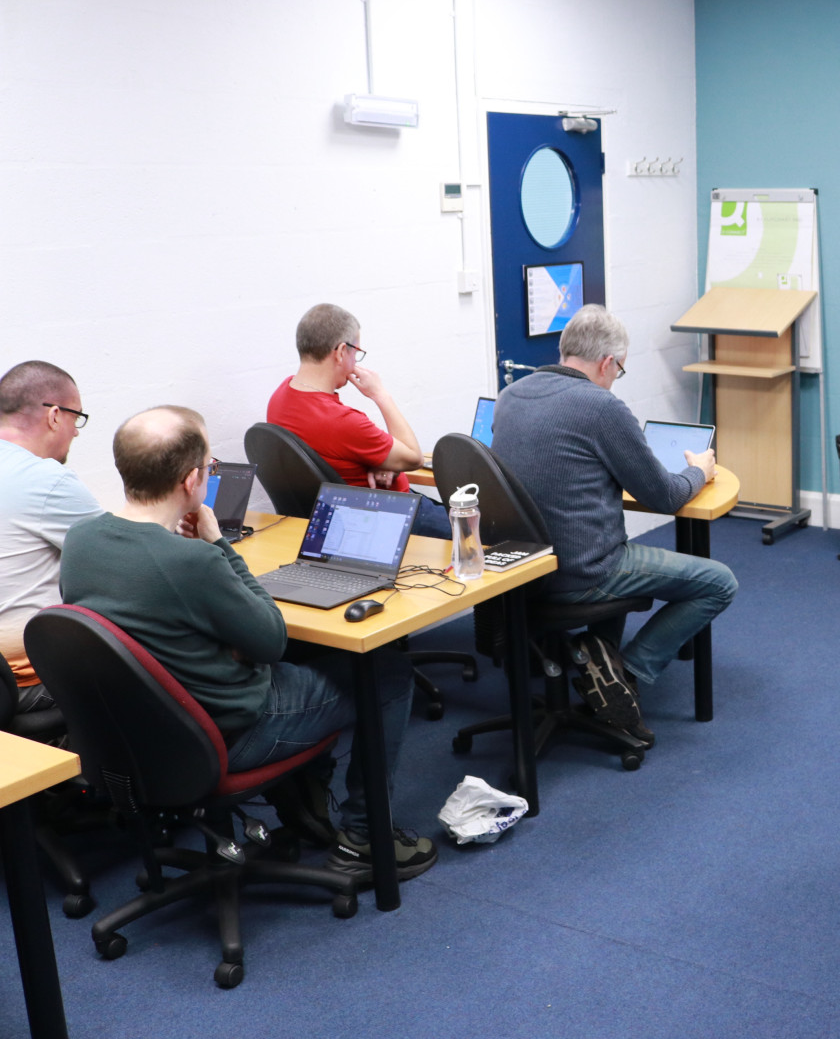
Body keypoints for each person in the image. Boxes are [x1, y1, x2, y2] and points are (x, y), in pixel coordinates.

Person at [59, 406, 437, 884]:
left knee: (317, 657)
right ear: (191, 480)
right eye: (211, 467)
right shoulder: (193, 560)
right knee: (388, 675)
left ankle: (305, 801)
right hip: (231, 731)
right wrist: (220, 545)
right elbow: (272, 639)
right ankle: (363, 837)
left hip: (142, 731)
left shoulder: (82, 540)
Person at [493, 305, 738, 743]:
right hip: (584, 569)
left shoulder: (512, 394)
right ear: (607, 363)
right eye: (619, 370)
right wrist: (700, 469)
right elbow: (663, 496)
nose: (615, 378)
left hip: (518, 571)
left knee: (611, 543)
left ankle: (597, 657)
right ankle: (625, 673)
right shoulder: (602, 407)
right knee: (719, 582)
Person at [267, 302, 451, 538]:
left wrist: (381, 462)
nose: (355, 361)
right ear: (342, 351)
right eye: (356, 353)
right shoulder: (342, 421)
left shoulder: (280, 397)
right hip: (388, 517)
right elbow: (414, 457)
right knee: (483, 532)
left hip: (336, 519)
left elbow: (338, 452)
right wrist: (380, 395)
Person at [0, 361, 102, 711]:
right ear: (55, 416)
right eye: (77, 419)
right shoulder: (46, 479)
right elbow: (124, 558)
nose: (75, 432)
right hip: (23, 684)